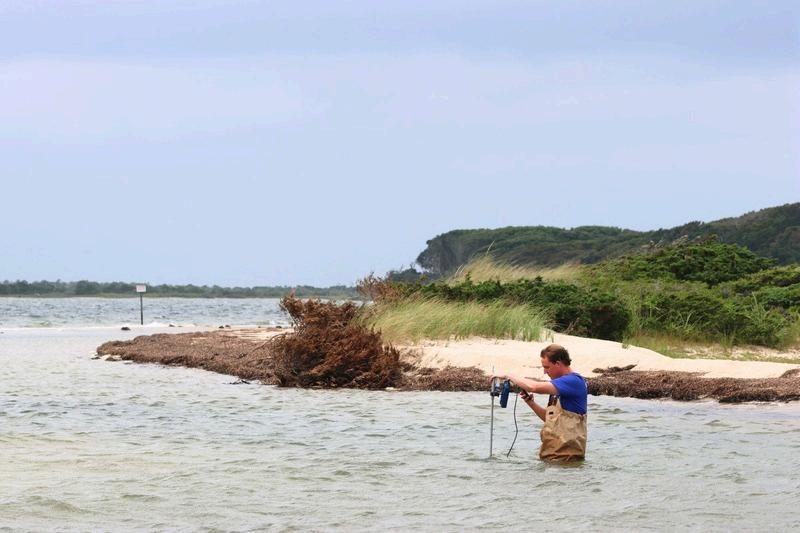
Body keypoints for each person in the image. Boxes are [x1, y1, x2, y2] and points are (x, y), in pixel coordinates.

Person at [490, 343, 587, 461]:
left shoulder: (573, 381)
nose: (545, 372)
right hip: (552, 455)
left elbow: (533, 387)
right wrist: (531, 403)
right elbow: (550, 419)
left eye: (547, 367)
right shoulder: (560, 385)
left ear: (558, 364)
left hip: (567, 459)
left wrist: (508, 375)